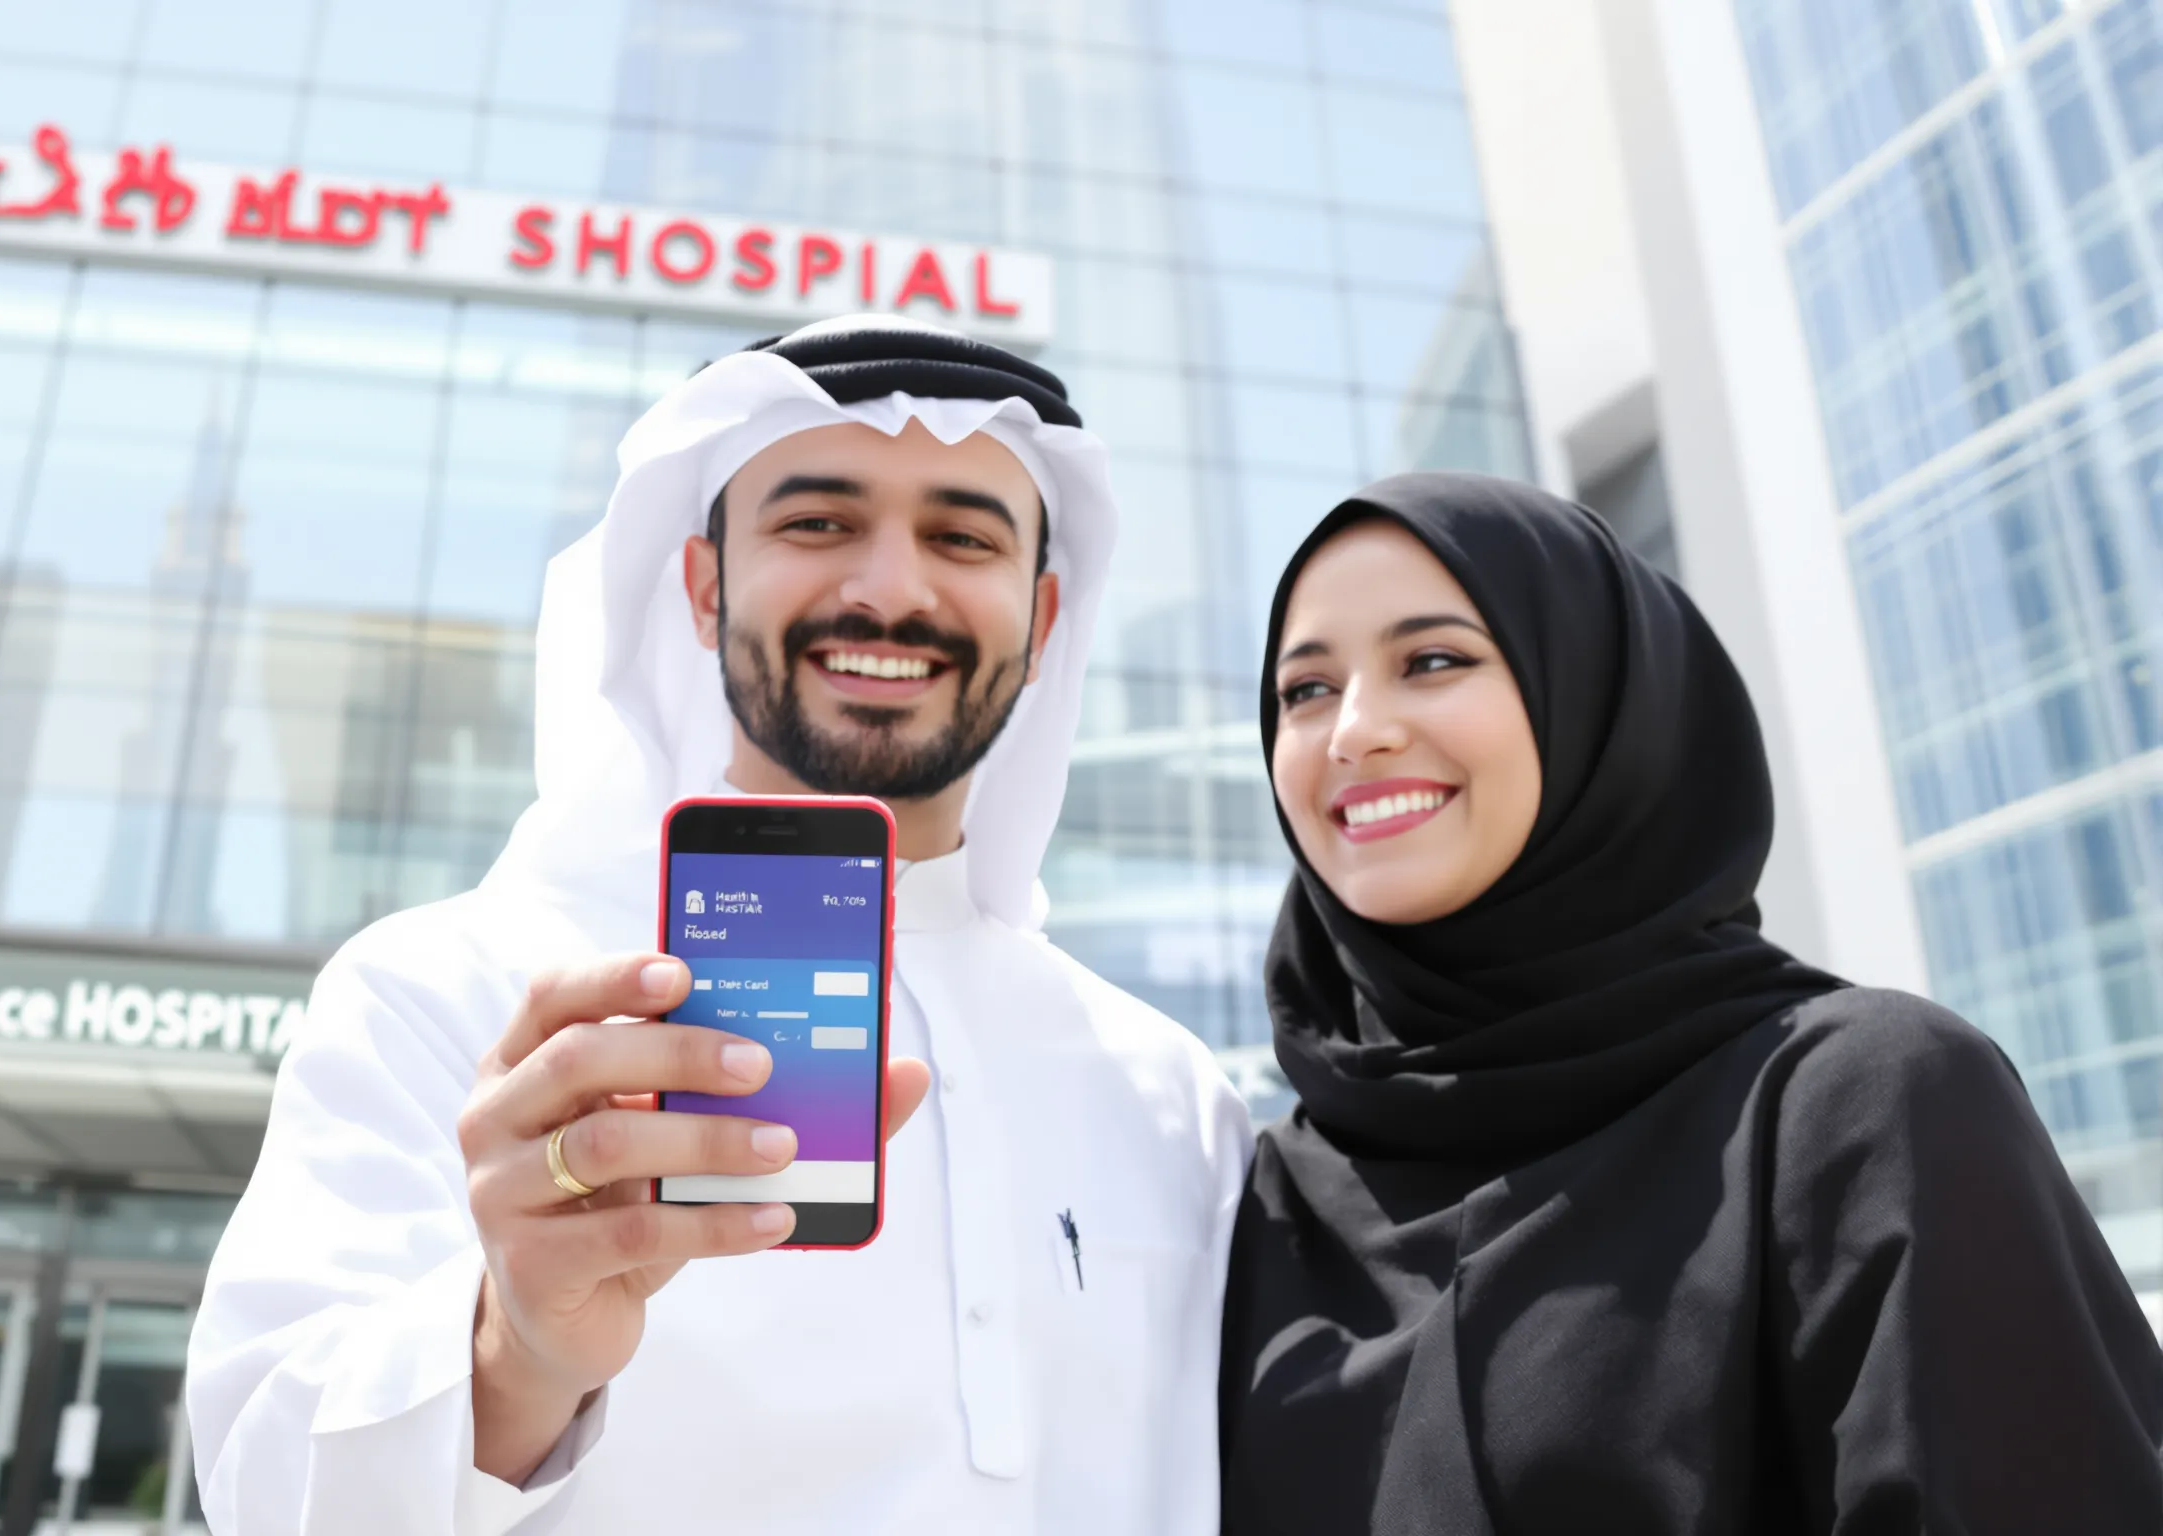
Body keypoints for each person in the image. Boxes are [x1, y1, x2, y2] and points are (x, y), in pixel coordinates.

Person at [190, 316, 1247, 1535]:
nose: (891, 588)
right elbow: (271, 1494)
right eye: (818, 523)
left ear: (1042, 617)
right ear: (702, 588)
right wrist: (512, 1351)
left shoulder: (1173, 1094)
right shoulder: (454, 993)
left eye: (960, 537)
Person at [1219, 471, 2163, 1533]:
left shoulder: (1855, 1106)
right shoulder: (1256, 1206)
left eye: (1432, 661)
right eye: (1303, 691)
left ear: (1594, 699)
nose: (1352, 731)